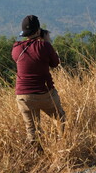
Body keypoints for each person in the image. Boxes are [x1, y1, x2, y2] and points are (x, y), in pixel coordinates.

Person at [12, 15, 66, 153]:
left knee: (32, 129)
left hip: (23, 96)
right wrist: (47, 41)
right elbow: (55, 63)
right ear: (37, 31)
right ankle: (62, 147)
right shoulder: (44, 46)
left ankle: (36, 156)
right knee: (60, 119)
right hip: (45, 93)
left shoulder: (16, 48)